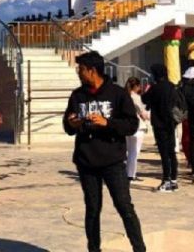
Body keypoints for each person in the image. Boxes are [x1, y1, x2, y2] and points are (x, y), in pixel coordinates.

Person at [63, 51, 146, 252]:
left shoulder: (117, 94)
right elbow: (67, 126)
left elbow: (131, 125)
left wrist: (107, 123)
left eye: (81, 69)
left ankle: (139, 248)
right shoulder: (77, 95)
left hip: (113, 162)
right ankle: (94, 249)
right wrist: (73, 122)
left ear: (92, 71)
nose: (78, 73)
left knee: (125, 207)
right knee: (92, 209)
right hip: (86, 162)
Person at [141, 65, 180, 191]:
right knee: (171, 152)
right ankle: (174, 179)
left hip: (159, 124)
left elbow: (144, 99)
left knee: (164, 154)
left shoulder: (155, 88)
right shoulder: (172, 86)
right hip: (171, 123)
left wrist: (146, 89)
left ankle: (166, 180)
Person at [124, 78, 150, 184]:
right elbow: (142, 112)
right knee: (134, 152)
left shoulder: (123, 96)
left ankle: (127, 172)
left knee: (128, 151)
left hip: (126, 126)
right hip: (137, 126)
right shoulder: (136, 97)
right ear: (136, 86)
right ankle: (131, 174)